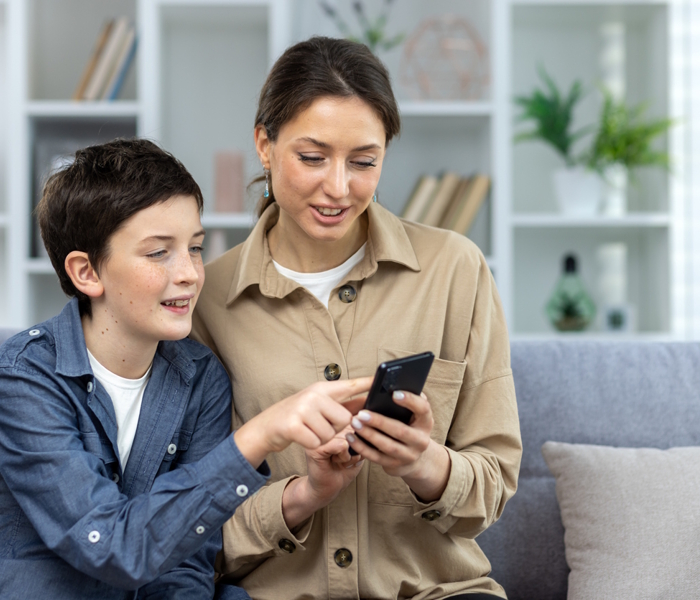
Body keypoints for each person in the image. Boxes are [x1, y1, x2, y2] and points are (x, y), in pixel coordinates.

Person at [0, 138, 371, 599]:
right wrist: (261, 434)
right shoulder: (19, 383)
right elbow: (114, 547)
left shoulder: (200, 377)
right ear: (87, 273)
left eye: (195, 248)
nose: (190, 273)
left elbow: (185, 563)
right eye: (159, 252)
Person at [191, 37, 523, 599]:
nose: (339, 188)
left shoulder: (455, 270)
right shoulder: (206, 299)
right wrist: (303, 495)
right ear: (264, 146)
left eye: (364, 161)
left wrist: (425, 465)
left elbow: (492, 483)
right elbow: (189, 519)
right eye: (313, 158)